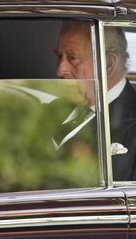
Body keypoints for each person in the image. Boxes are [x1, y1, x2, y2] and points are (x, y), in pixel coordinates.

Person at [55, 20, 136, 181]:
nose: (59, 70)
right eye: (59, 57)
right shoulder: (53, 107)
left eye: (72, 58)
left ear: (108, 63)